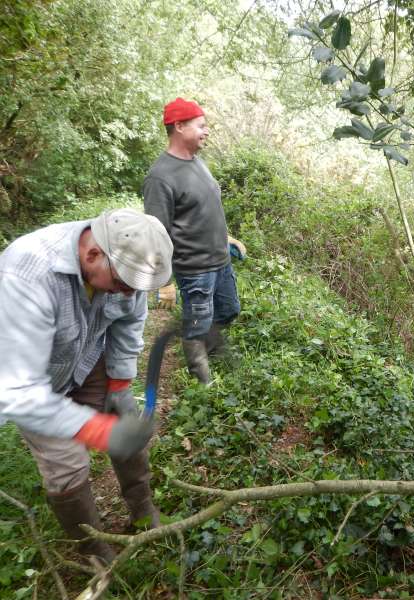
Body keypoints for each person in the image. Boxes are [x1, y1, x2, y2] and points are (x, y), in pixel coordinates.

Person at [0, 208, 173, 564]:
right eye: (123, 282)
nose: (129, 291)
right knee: (67, 465)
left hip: (85, 355)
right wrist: (98, 431)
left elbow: (129, 320)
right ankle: (92, 548)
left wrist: (120, 383)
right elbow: (18, 391)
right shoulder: (26, 276)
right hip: (32, 383)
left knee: (123, 416)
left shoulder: (123, 270)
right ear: (92, 254)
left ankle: (142, 509)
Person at [142, 97, 246, 385]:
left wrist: (227, 238)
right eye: (201, 125)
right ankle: (203, 383)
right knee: (198, 325)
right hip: (195, 269)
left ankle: (205, 348)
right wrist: (164, 282)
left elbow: (205, 207)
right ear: (179, 126)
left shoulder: (198, 163)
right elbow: (156, 233)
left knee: (229, 310)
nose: (207, 131)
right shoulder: (160, 177)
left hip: (219, 261)